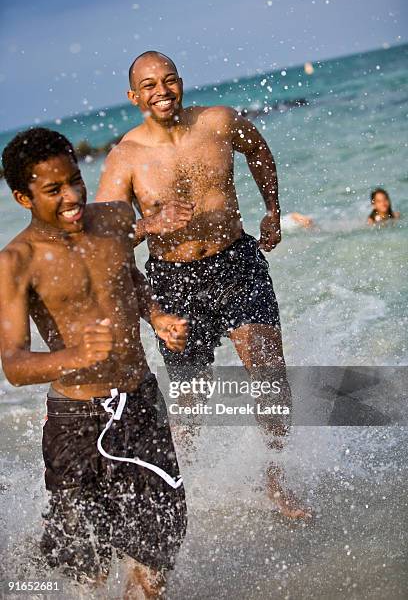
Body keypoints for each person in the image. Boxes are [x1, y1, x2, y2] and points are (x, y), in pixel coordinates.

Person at [96, 51, 311, 519]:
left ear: (182, 82)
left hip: (237, 261)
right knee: (190, 398)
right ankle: (180, 488)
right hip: (174, 281)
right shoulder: (125, 158)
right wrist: (150, 222)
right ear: (134, 98)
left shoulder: (218, 121)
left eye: (169, 80)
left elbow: (257, 149)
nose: (162, 91)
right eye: (149, 86)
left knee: (268, 367)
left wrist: (272, 209)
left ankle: (276, 479)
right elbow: (104, 237)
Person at [0, 128, 188, 598]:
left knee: (159, 543)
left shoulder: (117, 218)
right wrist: (76, 356)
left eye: (74, 181)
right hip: (76, 420)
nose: (72, 197)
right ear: (23, 196)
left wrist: (157, 315)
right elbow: (15, 365)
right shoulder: (17, 261)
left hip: (141, 400)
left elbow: (128, 274)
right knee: (89, 563)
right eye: (53, 190)